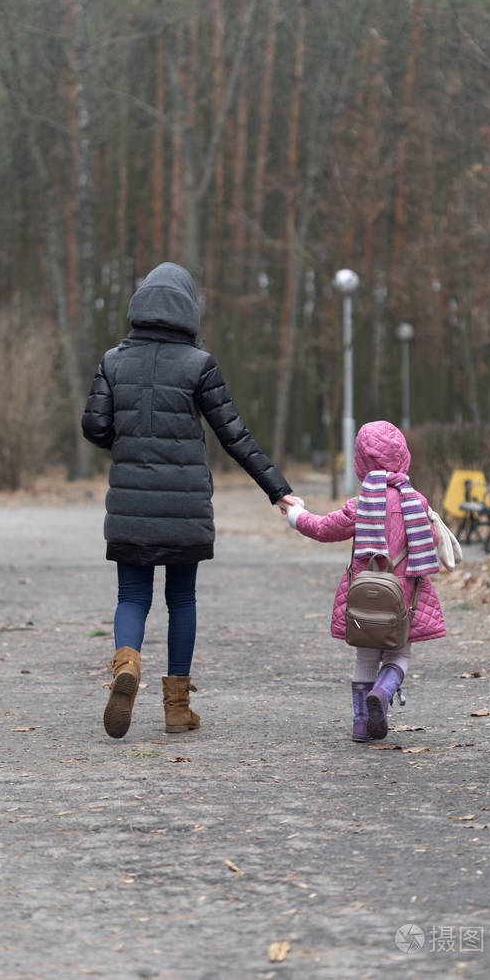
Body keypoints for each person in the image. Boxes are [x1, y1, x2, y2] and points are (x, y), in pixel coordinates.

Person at [82, 262, 295, 739]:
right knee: (182, 599)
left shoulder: (113, 360)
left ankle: (126, 663)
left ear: (139, 306)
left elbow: (94, 427)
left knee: (131, 596)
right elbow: (233, 435)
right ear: (186, 310)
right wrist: (277, 489)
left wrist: (130, 435)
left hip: (131, 509)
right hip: (185, 509)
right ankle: (177, 708)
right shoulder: (199, 365)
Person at [285, 421, 447, 742]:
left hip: (364, 600)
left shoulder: (360, 505)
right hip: (404, 599)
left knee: (365, 657)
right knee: (399, 655)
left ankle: (361, 724)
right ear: (404, 457)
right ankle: (383, 691)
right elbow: (430, 543)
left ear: (360, 462)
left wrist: (295, 514)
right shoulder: (417, 502)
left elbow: (322, 528)